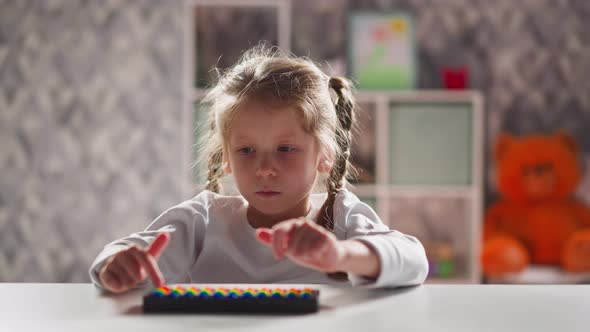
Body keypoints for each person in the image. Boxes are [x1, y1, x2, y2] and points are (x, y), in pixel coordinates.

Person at [89, 45, 428, 293]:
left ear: (324, 155)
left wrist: (340, 255)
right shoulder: (204, 219)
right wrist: (116, 266)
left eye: (285, 149)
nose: (265, 168)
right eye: (247, 150)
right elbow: (120, 252)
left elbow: (413, 260)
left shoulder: (340, 215)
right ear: (226, 157)